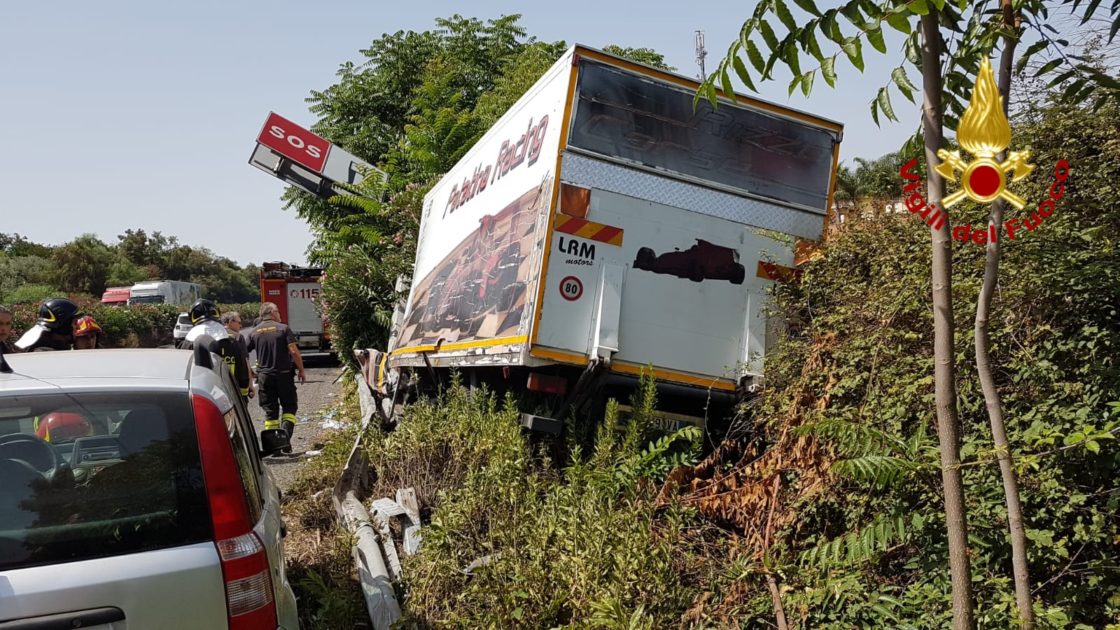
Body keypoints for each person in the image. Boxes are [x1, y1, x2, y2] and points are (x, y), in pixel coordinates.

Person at [249, 302, 306, 455]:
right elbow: (293, 351)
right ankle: (285, 440)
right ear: (273, 313)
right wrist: (301, 370)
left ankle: (274, 448)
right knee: (289, 407)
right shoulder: (283, 328)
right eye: (278, 312)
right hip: (284, 375)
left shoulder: (254, 332)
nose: (280, 315)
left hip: (264, 377)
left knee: (270, 412)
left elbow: (243, 354)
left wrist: (250, 372)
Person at [183, 299, 251, 399]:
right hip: (229, 396)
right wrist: (243, 397)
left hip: (198, 396)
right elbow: (242, 372)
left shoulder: (186, 344)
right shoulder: (231, 342)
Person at [15, 298, 80, 351]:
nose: (78, 327)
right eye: (74, 322)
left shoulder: (60, 347)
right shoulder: (44, 354)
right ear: (64, 327)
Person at [221, 311, 255, 398]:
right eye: (239, 322)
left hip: (221, 385)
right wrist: (250, 385)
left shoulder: (216, 336)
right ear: (230, 322)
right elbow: (246, 362)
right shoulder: (238, 338)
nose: (241, 326)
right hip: (238, 384)